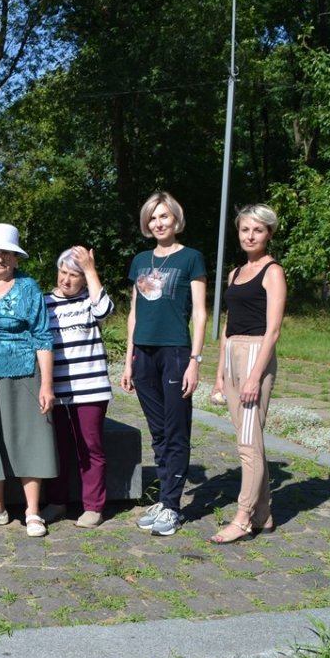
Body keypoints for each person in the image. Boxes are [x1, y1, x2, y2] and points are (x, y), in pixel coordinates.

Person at [120, 191, 208, 537]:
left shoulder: (191, 259)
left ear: (176, 219)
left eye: (164, 216)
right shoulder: (141, 260)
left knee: (176, 430)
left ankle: (172, 506)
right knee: (158, 431)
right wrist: (128, 360)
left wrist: (195, 361)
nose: (159, 223)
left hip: (175, 353)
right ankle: (166, 497)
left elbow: (200, 314)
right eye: (153, 218)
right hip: (144, 354)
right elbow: (134, 313)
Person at [0, 223, 59, 539]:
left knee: (30, 438)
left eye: (6, 253)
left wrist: (47, 384)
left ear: (16, 258)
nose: (0, 259)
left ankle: (32, 511)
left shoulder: (29, 287)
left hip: (23, 371)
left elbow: (42, 336)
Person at [209, 204, 285, 544]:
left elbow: (273, 330)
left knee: (247, 443)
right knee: (249, 439)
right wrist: (220, 373)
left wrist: (255, 375)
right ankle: (264, 512)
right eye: (244, 230)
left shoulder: (272, 271)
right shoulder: (235, 273)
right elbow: (228, 324)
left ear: (269, 233)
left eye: (257, 230)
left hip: (257, 352)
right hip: (232, 352)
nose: (249, 235)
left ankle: (243, 516)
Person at [42, 246, 115, 528]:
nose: (67, 280)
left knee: (90, 447)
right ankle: (57, 501)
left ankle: (94, 506)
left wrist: (90, 269)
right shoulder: (45, 301)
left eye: (74, 275)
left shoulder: (90, 301)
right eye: (63, 273)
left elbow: (106, 310)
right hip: (57, 389)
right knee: (57, 447)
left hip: (91, 387)